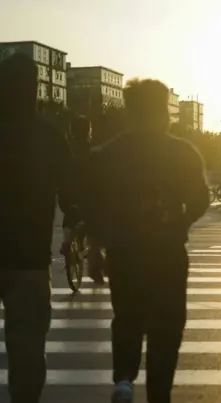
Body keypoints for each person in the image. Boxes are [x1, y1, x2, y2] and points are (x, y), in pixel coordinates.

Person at [84, 78, 210, 403]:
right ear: (163, 111)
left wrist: (94, 249)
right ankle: (158, 394)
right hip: (167, 252)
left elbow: (95, 206)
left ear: (130, 111)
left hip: (123, 253)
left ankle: (124, 379)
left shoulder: (107, 154)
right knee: (166, 328)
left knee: (127, 318)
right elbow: (201, 200)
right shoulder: (182, 152)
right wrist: (179, 219)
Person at [0, 53, 78, 403]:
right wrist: (75, 229)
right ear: (33, 89)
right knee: (27, 350)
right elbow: (72, 192)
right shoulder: (48, 137)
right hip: (29, 258)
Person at [61, 115, 107, 284]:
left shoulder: (65, 150)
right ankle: (92, 247)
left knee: (69, 214)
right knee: (93, 218)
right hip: (87, 194)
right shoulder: (93, 151)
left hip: (66, 194)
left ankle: (67, 240)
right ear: (88, 131)